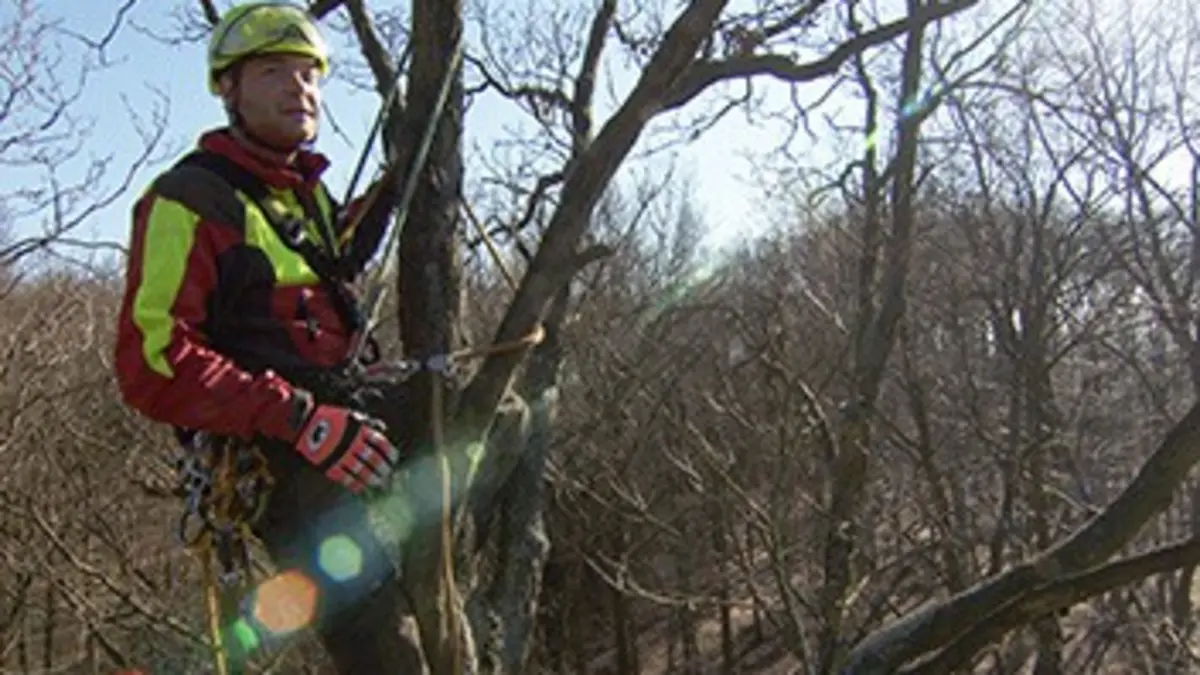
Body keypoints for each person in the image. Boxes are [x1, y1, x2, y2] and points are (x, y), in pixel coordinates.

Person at [113, 2, 423, 671]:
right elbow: (151, 360)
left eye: (310, 75)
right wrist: (300, 420)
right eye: (275, 71)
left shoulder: (297, 195)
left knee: (497, 404)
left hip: (344, 410)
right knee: (388, 653)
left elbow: (327, 261)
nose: (299, 88)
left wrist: (396, 183)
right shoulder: (187, 201)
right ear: (229, 89)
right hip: (275, 452)